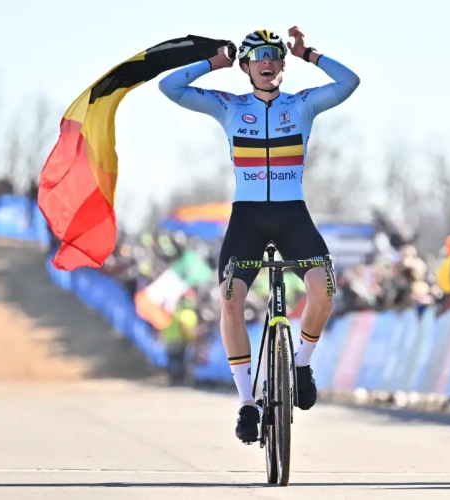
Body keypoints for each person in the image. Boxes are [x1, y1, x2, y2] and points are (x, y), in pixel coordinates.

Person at [158, 26, 360, 443]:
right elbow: (169, 86)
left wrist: (311, 54)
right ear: (247, 67)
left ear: (283, 64)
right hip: (247, 218)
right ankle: (248, 402)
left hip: (292, 216)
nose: (267, 63)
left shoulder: (302, 105)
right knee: (230, 302)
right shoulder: (230, 107)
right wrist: (212, 63)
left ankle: (301, 364)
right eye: (258, 58)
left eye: (274, 56)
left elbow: (349, 82)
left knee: (323, 290)